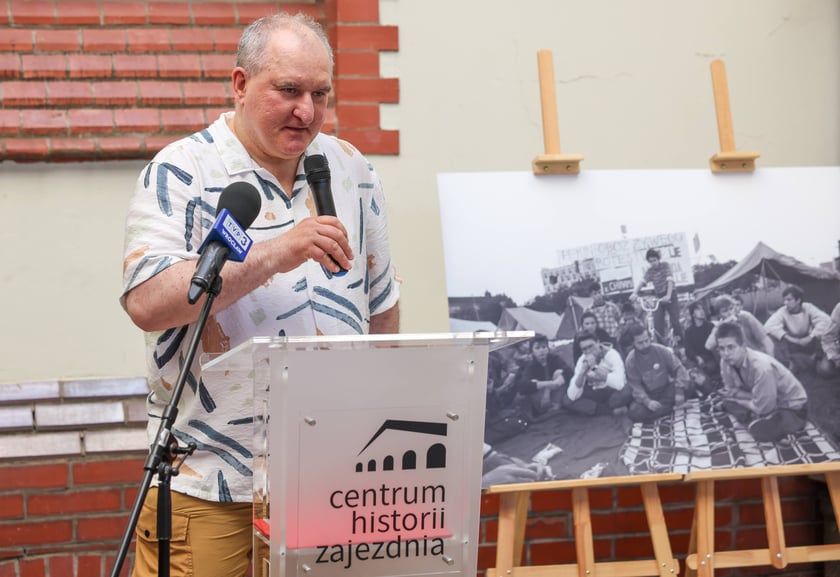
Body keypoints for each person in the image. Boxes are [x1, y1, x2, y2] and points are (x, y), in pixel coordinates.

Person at [120, 13, 400, 577]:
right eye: (289, 90)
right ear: (241, 84)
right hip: (214, 478)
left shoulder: (351, 170)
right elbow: (147, 302)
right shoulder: (183, 169)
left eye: (320, 93)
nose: (307, 111)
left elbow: (382, 306)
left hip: (333, 479)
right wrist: (274, 253)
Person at [716, 321, 808, 443]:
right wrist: (747, 397)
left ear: (743, 346)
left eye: (731, 347)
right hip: (761, 398)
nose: (726, 354)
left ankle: (761, 422)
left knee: (759, 431)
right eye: (721, 349)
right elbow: (730, 389)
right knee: (728, 401)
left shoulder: (761, 368)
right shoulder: (725, 361)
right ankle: (756, 419)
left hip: (790, 407)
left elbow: (764, 408)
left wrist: (739, 400)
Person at [624, 324, 691, 423]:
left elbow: (679, 368)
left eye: (647, 340)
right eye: (640, 343)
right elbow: (635, 385)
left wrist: (679, 391)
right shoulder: (630, 360)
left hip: (667, 389)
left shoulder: (661, 350)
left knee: (690, 383)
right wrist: (647, 402)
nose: (645, 345)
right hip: (649, 395)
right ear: (633, 343)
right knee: (634, 412)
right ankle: (671, 408)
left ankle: (664, 408)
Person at [764, 284, 832, 374]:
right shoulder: (783, 311)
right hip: (792, 344)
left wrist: (810, 337)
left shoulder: (808, 307)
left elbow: (826, 321)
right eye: (784, 300)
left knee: (822, 333)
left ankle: (815, 358)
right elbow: (768, 326)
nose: (785, 303)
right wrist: (792, 339)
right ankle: (789, 362)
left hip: (809, 342)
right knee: (772, 336)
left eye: (789, 300)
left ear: (798, 300)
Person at [566, 331, 631, 416]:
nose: (588, 351)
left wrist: (594, 367)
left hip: (612, 391)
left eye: (591, 346)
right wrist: (582, 372)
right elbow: (572, 395)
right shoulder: (582, 359)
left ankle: (599, 409)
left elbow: (619, 384)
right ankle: (611, 411)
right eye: (584, 349)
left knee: (627, 391)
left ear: (598, 343)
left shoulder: (612, 354)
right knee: (567, 400)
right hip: (595, 392)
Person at [630, 248, 684, 345]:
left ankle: (681, 344)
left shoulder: (665, 266)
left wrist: (668, 295)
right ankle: (661, 344)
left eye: (654, 260)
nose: (653, 263)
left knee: (675, 320)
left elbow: (670, 281)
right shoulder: (650, 271)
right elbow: (642, 282)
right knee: (657, 322)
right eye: (650, 261)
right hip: (659, 296)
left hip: (670, 293)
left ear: (658, 259)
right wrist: (634, 293)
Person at [517, 334, 573, 416]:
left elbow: (569, 372)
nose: (541, 350)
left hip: (556, 393)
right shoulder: (530, 365)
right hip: (541, 399)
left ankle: (557, 404)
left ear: (548, 349)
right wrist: (547, 385)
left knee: (559, 373)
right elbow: (522, 387)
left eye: (544, 347)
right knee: (533, 383)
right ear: (532, 351)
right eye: (537, 348)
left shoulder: (554, 358)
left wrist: (551, 387)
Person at [705, 294, 774, 357]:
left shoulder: (746, 317)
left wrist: (771, 361)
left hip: (757, 357)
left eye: (731, 308)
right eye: (725, 311)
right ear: (719, 315)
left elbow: (766, 340)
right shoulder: (721, 326)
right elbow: (708, 346)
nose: (730, 313)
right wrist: (720, 327)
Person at [683, 302, 716, 370]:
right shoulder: (689, 331)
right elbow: (688, 349)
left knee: (709, 368)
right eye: (698, 309)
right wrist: (697, 357)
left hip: (711, 358)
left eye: (702, 309)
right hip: (697, 359)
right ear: (693, 314)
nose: (701, 311)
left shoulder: (710, 326)